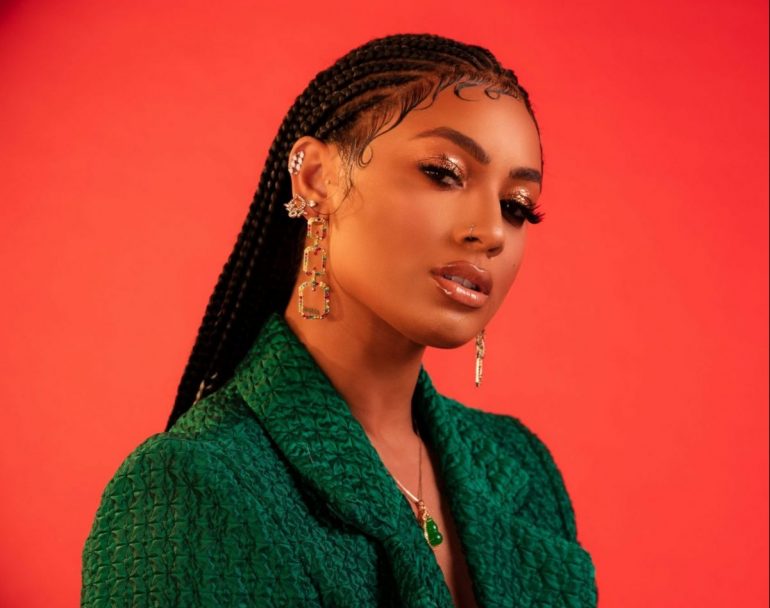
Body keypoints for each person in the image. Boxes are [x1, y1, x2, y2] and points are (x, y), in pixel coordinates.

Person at [81, 33, 597, 607]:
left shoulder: (521, 466)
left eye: (516, 206)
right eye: (444, 173)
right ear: (315, 178)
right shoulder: (191, 485)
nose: (493, 232)